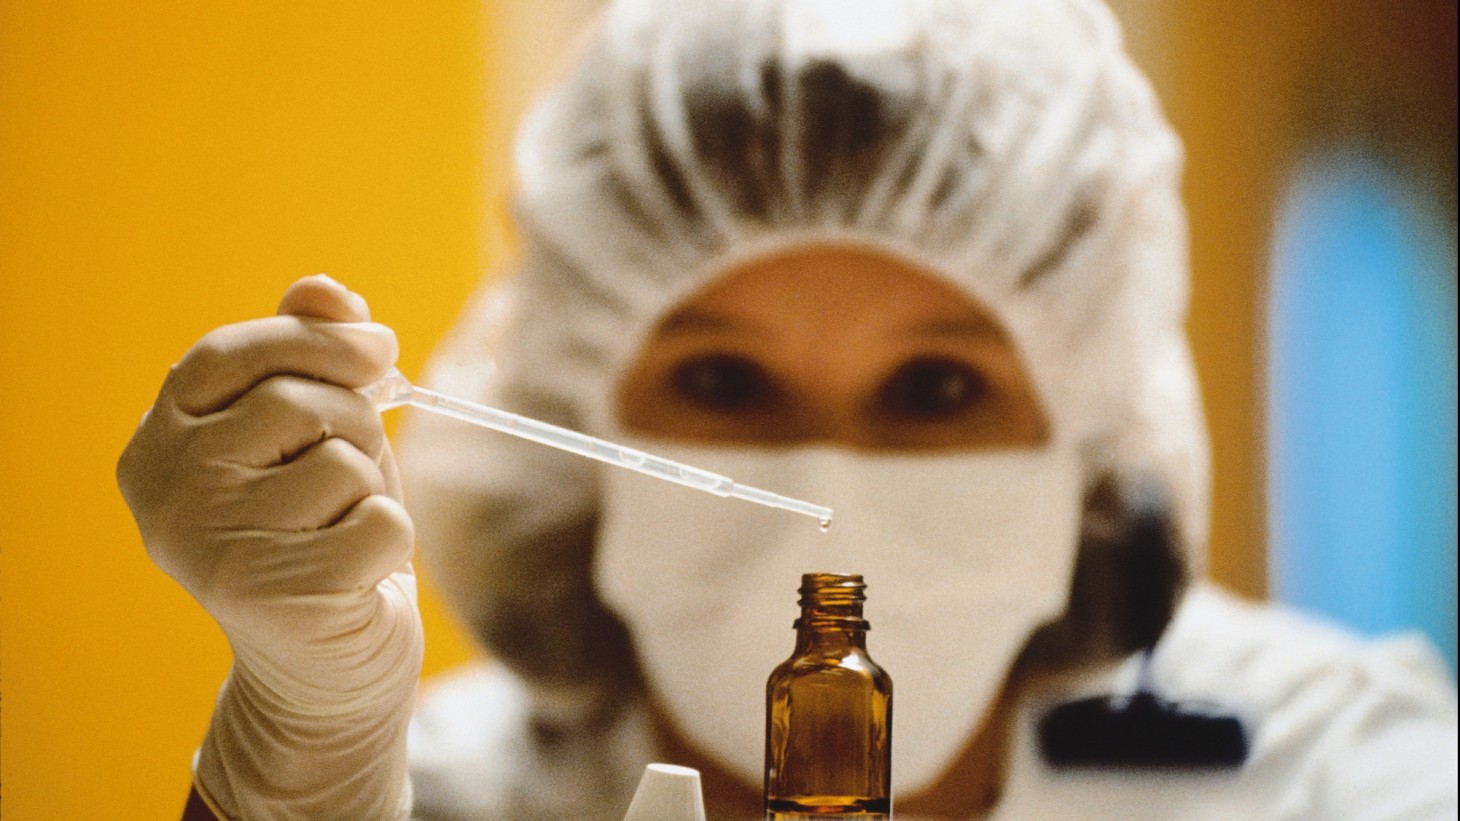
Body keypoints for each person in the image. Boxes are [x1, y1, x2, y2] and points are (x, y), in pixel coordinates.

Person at [117, 0, 1459, 818]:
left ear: (1093, 451)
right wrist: (290, 768)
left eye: (936, 386)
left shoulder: (1336, 770)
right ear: (578, 435)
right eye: (722, 378)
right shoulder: (428, 795)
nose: (831, 481)